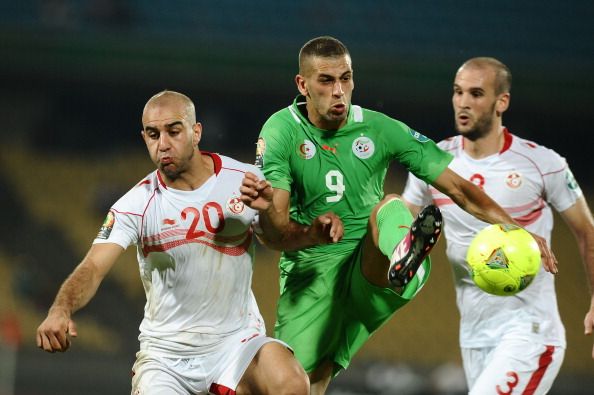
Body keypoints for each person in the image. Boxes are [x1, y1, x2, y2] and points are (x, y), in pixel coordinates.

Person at [239, 37, 557, 395]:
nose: (339, 91)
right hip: (311, 276)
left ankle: (406, 256)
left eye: (346, 78)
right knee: (304, 384)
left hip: (374, 267)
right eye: (326, 81)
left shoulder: (380, 128)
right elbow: (277, 233)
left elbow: (458, 188)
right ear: (303, 84)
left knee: (389, 206)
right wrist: (284, 218)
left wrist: (514, 224)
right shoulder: (281, 130)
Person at [36, 90, 309, 395]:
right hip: (166, 359)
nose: (163, 144)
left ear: (196, 132)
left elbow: (276, 238)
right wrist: (61, 309)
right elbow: (93, 266)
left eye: (173, 131)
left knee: (291, 382)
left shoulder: (243, 179)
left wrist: (270, 210)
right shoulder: (135, 205)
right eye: (153, 135)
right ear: (144, 138)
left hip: (236, 342)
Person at [403, 57, 594, 394]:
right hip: (475, 334)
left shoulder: (542, 163)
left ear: (501, 102)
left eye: (476, 94)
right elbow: (402, 219)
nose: (463, 102)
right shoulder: (433, 162)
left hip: (530, 333)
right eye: (458, 92)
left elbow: (586, 231)